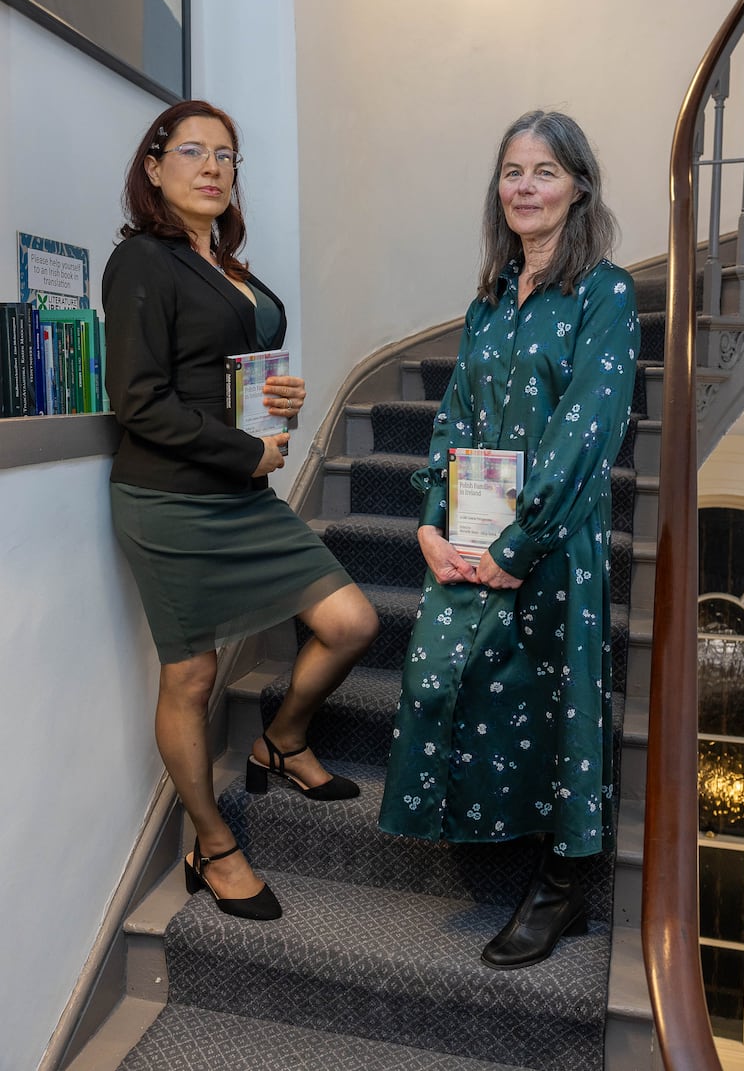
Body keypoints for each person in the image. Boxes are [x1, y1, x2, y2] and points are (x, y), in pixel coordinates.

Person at [103, 100, 379, 921]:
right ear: (154, 167)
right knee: (188, 676)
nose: (214, 166)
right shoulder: (143, 264)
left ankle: (281, 739)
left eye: (227, 154)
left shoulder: (226, 265)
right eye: (192, 150)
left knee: (354, 621)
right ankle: (214, 843)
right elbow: (138, 401)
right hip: (170, 500)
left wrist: (274, 404)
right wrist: (244, 450)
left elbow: (221, 379)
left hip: (241, 493)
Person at [378, 110, 640, 968]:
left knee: (559, 701)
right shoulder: (488, 300)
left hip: (557, 540)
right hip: (472, 526)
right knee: (436, 674)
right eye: (513, 172)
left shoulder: (605, 293)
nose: (525, 187)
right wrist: (427, 518)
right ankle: (487, 823)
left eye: (545, 172)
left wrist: (519, 547)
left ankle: (563, 882)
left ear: (578, 188)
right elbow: (457, 418)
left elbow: (586, 429)